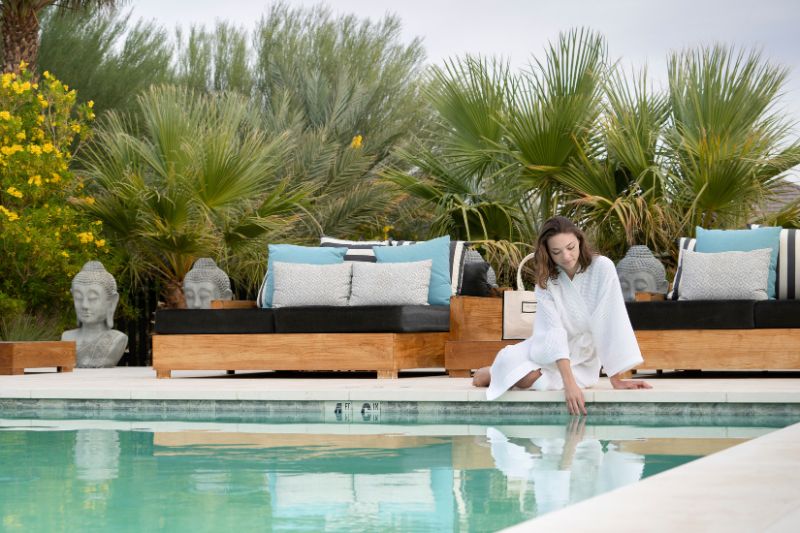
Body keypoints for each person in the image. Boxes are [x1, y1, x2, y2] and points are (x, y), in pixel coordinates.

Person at [473, 216, 651, 414]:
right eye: (557, 252)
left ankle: (501, 373)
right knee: (493, 375)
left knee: (529, 379)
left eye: (570, 247)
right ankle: (492, 372)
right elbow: (553, 331)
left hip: (582, 359)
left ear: (580, 241)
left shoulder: (603, 267)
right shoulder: (546, 280)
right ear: (547, 252)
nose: (566, 257)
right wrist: (569, 385)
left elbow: (610, 319)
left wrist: (616, 378)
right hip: (549, 350)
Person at [61, 261, 128, 368]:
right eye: (78, 297)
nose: (84, 305)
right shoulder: (67, 337)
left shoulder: (117, 339)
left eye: (92, 298)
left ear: (111, 301)